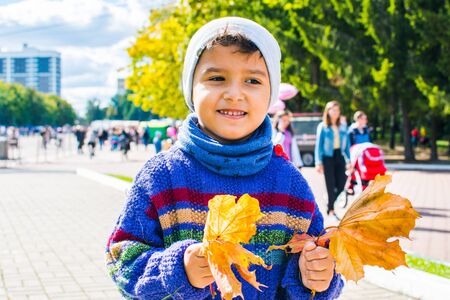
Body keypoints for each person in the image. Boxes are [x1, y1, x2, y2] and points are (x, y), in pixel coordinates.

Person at [105, 17, 343, 299]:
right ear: (191, 90)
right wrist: (178, 269)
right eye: (216, 78)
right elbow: (120, 259)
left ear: (270, 96)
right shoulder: (162, 176)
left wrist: (316, 276)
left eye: (252, 81)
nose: (234, 93)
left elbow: (323, 264)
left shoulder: (289, 183)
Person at [314, 101, 350, 220]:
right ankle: (331, 210)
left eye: (337, 110)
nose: (335, 112)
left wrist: (349, 160)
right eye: (333, 110)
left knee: (341, 183)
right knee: (330, 184)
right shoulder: (323, 127)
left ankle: (330, 201)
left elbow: (347, 145)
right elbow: (318, 146)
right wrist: (318, 162)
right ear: (328, 112)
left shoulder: (343, 126)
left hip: (339, 155)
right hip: (327, 157)